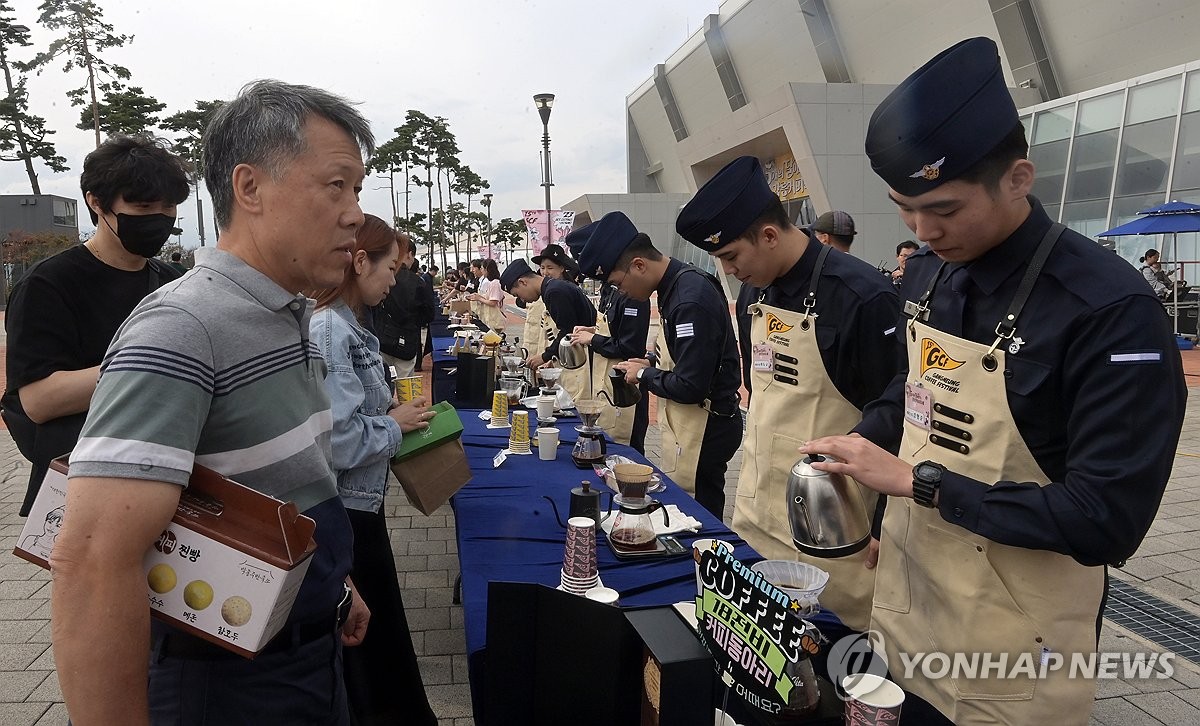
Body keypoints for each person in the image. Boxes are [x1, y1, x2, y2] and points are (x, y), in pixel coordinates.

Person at [803, 38, 1186, 724]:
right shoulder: (926, 274)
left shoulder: (1109, 311)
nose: (923, 231)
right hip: (909, 607)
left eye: (944, 210)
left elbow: (1106, 520)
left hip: (1018, 642)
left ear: (1018, 178)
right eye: (904, 209)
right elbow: (913, 395)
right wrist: (862, 445)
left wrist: (919, 484)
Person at [53, 80, 379, 724]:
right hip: (225, 684)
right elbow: (92, 561)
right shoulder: (182, 328)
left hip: (310, 653)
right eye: (335, 186)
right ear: (250, 188)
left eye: (358, 191)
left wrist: (332, 583)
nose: (354, 215)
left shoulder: (291, 316)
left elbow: (284, 484)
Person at [677, 156, 903, 631]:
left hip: (833, 530)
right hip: (758, 513)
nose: (729, 270)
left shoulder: (861, 295)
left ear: (770, 235)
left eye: (732, 256)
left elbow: (898, 418)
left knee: (828, 665)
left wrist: (886, 525)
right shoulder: (753, 295)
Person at [1, 134, 189, 517]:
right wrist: (149, 365)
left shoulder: (175, 279)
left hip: (171, 471)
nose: (159, 218)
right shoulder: (48, 285)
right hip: (89, 484)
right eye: (143, 206)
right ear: (96, 202)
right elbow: (39, 401)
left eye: (169, 207)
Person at [309, 213, 438, 726]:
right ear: (360, 261)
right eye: (392, 268)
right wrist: (394, 425)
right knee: (367, 640)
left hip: (362, 502)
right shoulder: (330, 330)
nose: (395, 280)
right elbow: (338, 439)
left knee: (377, 639)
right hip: (347, 508)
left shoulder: (346, 325)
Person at [578, 211, 741, 519]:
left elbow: (692, 385)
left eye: (618, 283)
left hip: (708, 423)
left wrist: (642, 373)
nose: (620, 292)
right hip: (690, 422)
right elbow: (688, 353)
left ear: (639, 265)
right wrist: (652, 361)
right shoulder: (674, 287)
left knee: (698, 511)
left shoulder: (688, 298)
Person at [564, 222, 652, 453]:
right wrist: (594, 332)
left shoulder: (631, 292)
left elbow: (629, 345)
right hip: (605, 381)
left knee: (627, 450)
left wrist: (593, 340)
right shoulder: (609, 289)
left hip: (625, 387)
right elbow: (614, 329)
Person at [499, 257, 597, 406]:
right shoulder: (553, 288)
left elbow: (567, 332)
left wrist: (545, 356)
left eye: (518, 295)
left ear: (523, 282)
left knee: (576, 403)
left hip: (581, 357)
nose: (523, 300)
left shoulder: (554, 292)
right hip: (578, 354)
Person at [375, 231, 433, 378]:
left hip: (384, 336)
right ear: (410, 254)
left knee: (384, 380)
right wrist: (414, 322)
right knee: (406, 385)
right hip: (407, 338)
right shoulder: (419, 282)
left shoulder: (384, 276)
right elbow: (429, 314)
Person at [468, 258, 507, 332]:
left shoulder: (495, 283)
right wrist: (478, 296)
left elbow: (493, 302)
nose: (481, 271)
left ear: (487, 269)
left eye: (482, 268)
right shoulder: (491, 282)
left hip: (495, 319)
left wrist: (479, 298)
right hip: (490, 318)